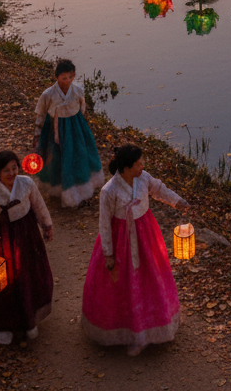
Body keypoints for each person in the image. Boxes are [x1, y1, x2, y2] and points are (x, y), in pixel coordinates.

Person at [81, 144, 190, 355]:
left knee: (151, 277)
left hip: (145, 233)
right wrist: (108, 254)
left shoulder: (143, 178)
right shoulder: (109, 191)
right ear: (127, 167)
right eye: (139, 163)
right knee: (125, 284)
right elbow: (104, 224)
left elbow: (159, 189)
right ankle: (130, 333)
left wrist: (177, 201)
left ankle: (152, 328)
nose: (143, 166)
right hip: (120, 239)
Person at [0, 150, 54, 345]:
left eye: (14, 168)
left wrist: (47, 226)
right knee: (3, 284)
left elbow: (39, 206)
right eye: (6, 170)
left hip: (27, 238)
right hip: (1, 243)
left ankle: (29, 320)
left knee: (28, 276)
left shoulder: (26, 184)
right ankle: (4, 326)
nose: (11, 173)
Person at [33, 59, 105, 207]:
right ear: (57, 77)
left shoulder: (78, 91)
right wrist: (37, 132)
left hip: (75, 128)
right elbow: (41, 113)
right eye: (64, 78)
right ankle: (57, 189)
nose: (67, 81)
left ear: (74, 76)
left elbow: (81, 108)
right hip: (54, 129)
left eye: (70, 77)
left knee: (78, 155)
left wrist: (80, 126)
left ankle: (79, 190)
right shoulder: (49, 94)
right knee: (56, 158)